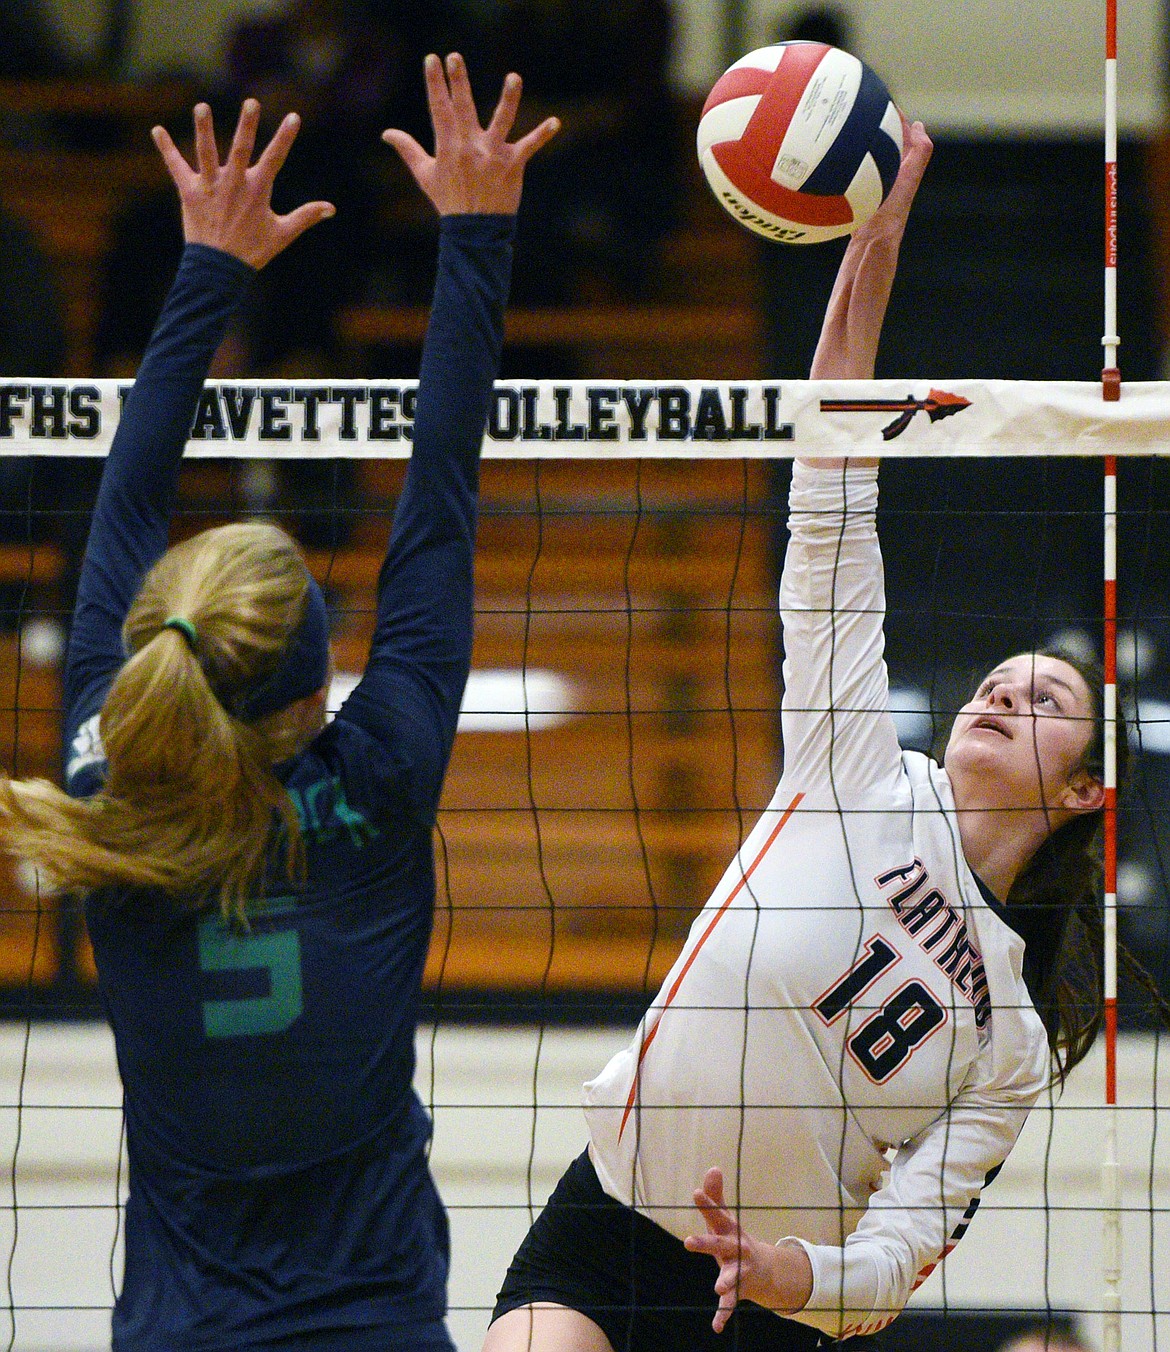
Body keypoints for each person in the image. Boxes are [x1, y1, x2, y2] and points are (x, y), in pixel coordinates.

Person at [482, 122, 1167, 1352]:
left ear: (1085, 794)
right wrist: (875, 245)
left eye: (1045, 701)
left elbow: (901, 1251)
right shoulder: (857, 769)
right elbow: (831, 501)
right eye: (999, 682)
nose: (1002, 696)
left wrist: (787, 1268)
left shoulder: (1007, 1035)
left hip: (767, 1301)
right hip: (612, 1211)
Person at [0, 55, 556, 1351]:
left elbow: (120, 505)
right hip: (373, 1323)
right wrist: (475, 238)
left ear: (158, 649)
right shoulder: (380, 774)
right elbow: (440, 503)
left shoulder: (108, 782)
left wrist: (202, 270)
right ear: (317, 688)